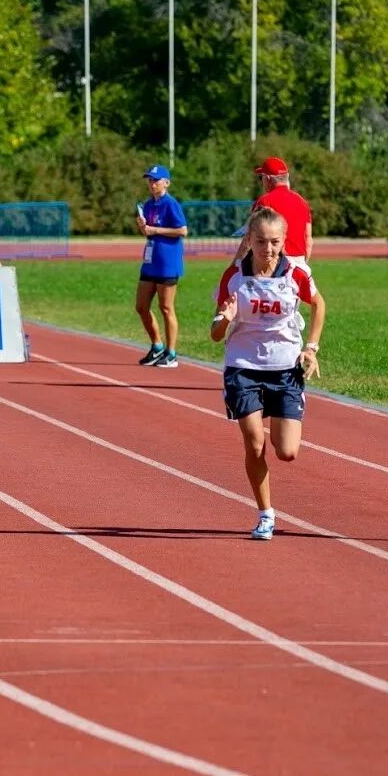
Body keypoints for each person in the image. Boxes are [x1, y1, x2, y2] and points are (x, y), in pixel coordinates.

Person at [210, 207, 325, 540]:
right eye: (261, 241)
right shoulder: (234, 276)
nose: (269, 249)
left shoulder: (297, 274)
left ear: (284, 241)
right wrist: (226, 317)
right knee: (255, 443)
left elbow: (319, 305)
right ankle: (265, 514)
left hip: (286, 368)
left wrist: (312, 347)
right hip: (243, 368)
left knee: (286, 451)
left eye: (275, 242)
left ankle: (281, 415)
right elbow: (215, 334)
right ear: (250, 240)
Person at [135, 165, 187, 368]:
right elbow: (149, 233)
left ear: (166, 183)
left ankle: (171, 352)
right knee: (141, 306)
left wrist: (155, 229)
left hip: (167, 262)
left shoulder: (171, 204)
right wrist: (143, 228)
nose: (152, 183)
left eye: (156, 180)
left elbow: (182, 230)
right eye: (149, 180)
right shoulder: (148, 205)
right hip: (150, 262)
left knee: (166, 307)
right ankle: (157, 345)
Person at [239, 157, 313, 271]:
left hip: (276, 263)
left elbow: (248, 239)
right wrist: (301, 265)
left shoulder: (264, 201)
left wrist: (235, 264)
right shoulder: (302, 202)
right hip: (300, 263)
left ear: (267, 179)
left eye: (261, 177)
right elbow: (308, 240)